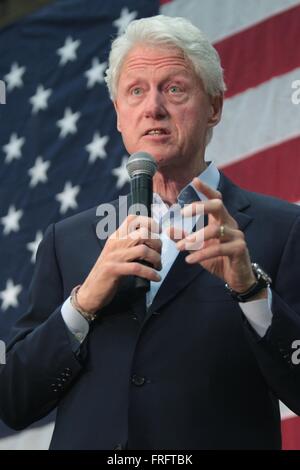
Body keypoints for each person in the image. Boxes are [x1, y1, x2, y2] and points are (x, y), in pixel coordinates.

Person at [0, 15, 300, 450]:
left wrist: (251, 291)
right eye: (136, 91)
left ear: (214, 107)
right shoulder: (68, 241)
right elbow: (13, 399)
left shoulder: (282, 229)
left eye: (174, 88)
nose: (153, 107)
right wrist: (83, 303)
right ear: (120, 115)